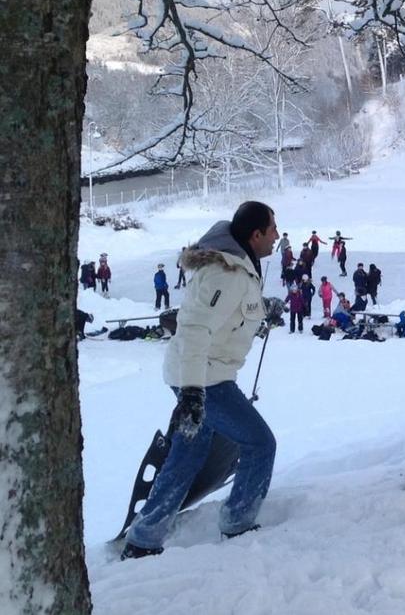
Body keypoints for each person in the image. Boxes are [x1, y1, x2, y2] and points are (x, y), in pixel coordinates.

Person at [121, 201, 279, 559]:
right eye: (272, 230)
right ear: (255, 235)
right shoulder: (227, 274)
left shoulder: (237, 265)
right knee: (259, 444)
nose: (277, 236)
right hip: (206, 380)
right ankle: (238, 523)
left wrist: (265, 312)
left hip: (199, 373)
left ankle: (143, 540)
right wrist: (193, 393)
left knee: (189, 453)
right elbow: (193, 329)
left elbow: (230, 317)